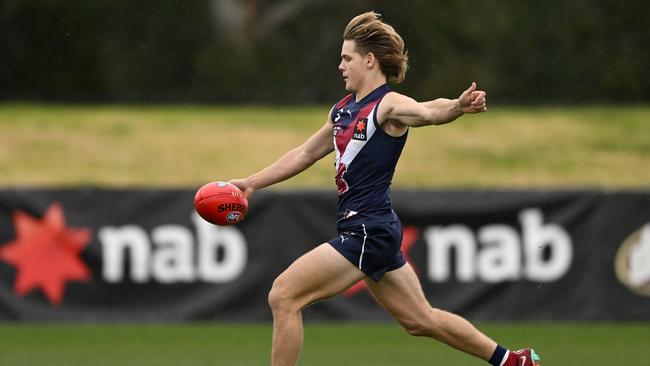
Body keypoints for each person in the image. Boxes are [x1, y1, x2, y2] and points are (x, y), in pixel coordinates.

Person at [230, 11, 540, 366]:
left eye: (347, 58)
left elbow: (426, 112)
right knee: (421, 320)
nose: (340, 65)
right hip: (370, 228)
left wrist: (456, 106)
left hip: (368, 230)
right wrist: (252, 182)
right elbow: (303, 153)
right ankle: (512, 361)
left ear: (369, 60)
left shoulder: (388, 105)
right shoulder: (343, 111)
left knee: (284, 295)